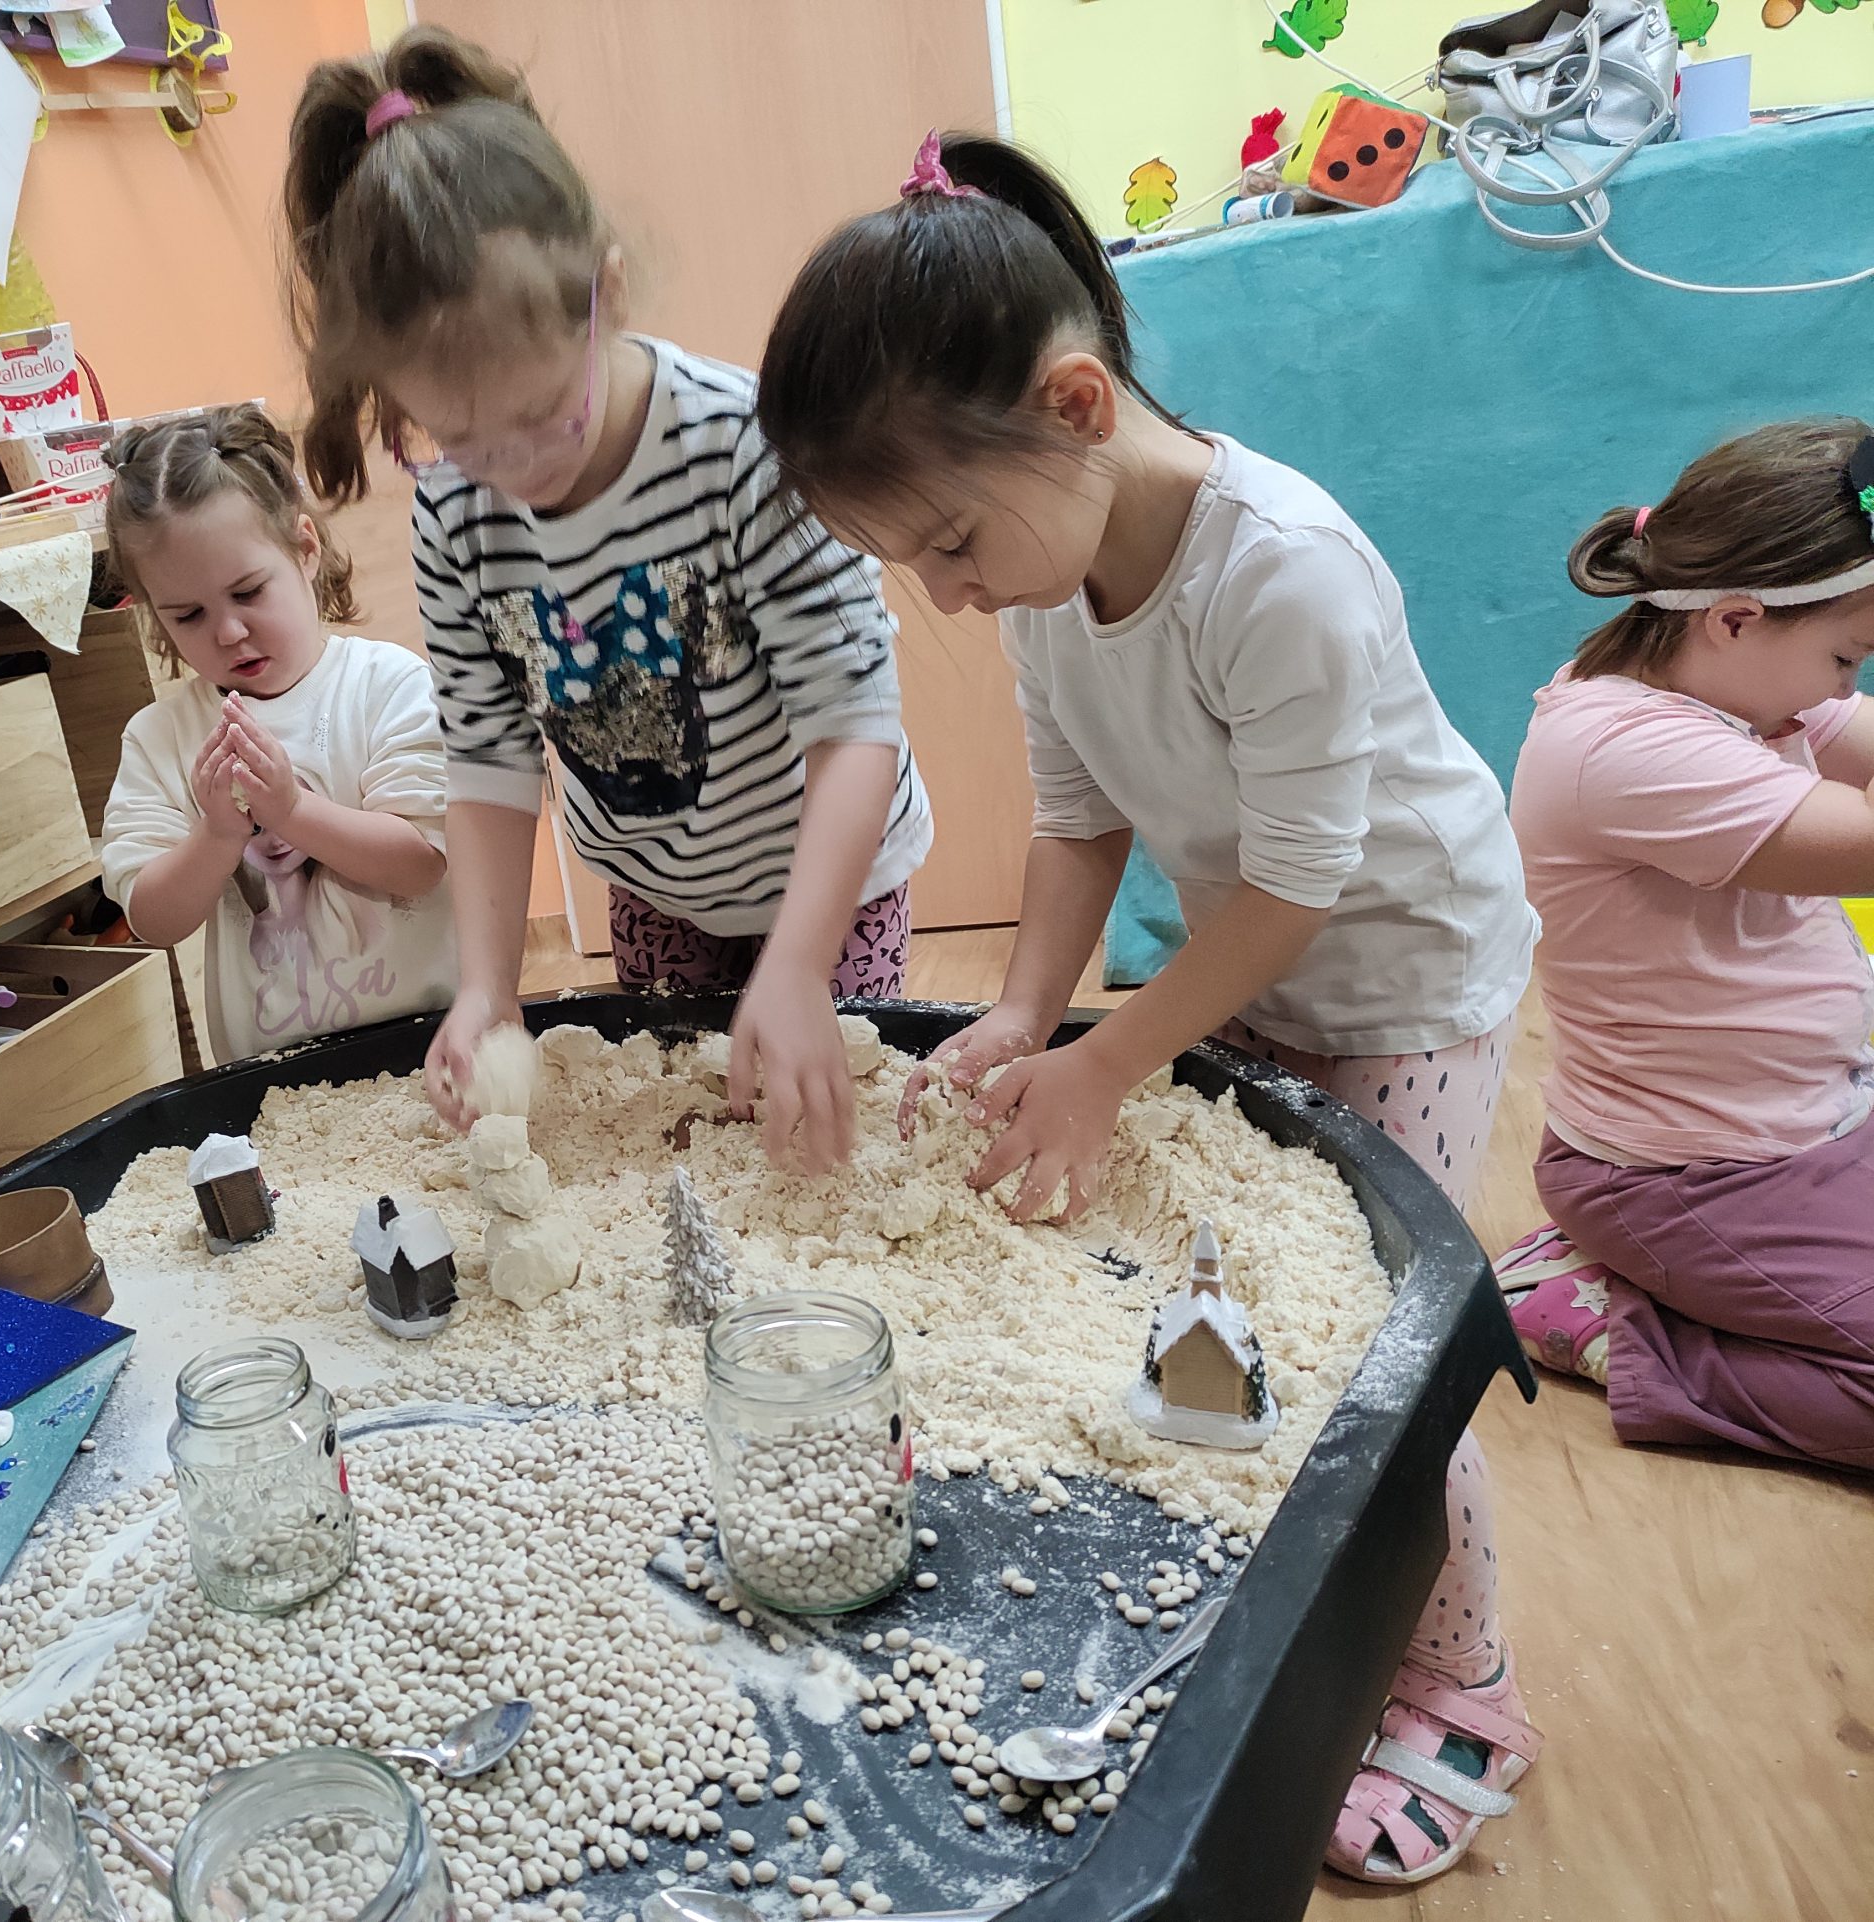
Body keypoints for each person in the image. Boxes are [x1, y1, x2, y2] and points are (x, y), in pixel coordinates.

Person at [751, 131, 1541, 1884]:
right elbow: (1078, 816)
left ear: (1079, 406)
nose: (948, 593)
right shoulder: (1049, 577)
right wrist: (1031, 1013)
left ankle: (1462, 1680)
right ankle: (1273, 1605)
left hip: (1400, 972)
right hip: (1243, 963)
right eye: (917, 564)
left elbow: (1301, 886)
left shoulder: (1281, 569)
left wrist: (1114, 1055)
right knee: (1218, 1302)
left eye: (949, 543)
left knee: (1379, 1349)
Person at [283, 26, 934, 1172]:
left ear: (607, 292)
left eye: (542, 414)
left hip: (828, 878)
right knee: (682, 1149)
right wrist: (487, 985)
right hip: (654, 889)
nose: (512, 466)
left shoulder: (743, 452)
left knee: (813, 1144)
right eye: (458, 436)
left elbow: (853, 724)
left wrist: (797, 960)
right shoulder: (455, 513)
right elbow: (489, 765)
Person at [1500, 419, 1874, 1473]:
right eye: (1844, 656)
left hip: (1816, 1115)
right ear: (1736, 618)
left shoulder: (1734, 686)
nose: (1841, 690)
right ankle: (1623, 1331)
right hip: (1693, 1176)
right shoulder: (1626, 749)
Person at [98, 405, 457, 1061]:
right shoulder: (161, 738)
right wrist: (218, 835)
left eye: (248, 592)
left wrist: (290, 811)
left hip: (427, 1047)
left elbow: (420, 864)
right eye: (188, 615)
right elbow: (154, 920)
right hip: (271, 1076)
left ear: (306, 549)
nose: (229, 631)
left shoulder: (389, 686)